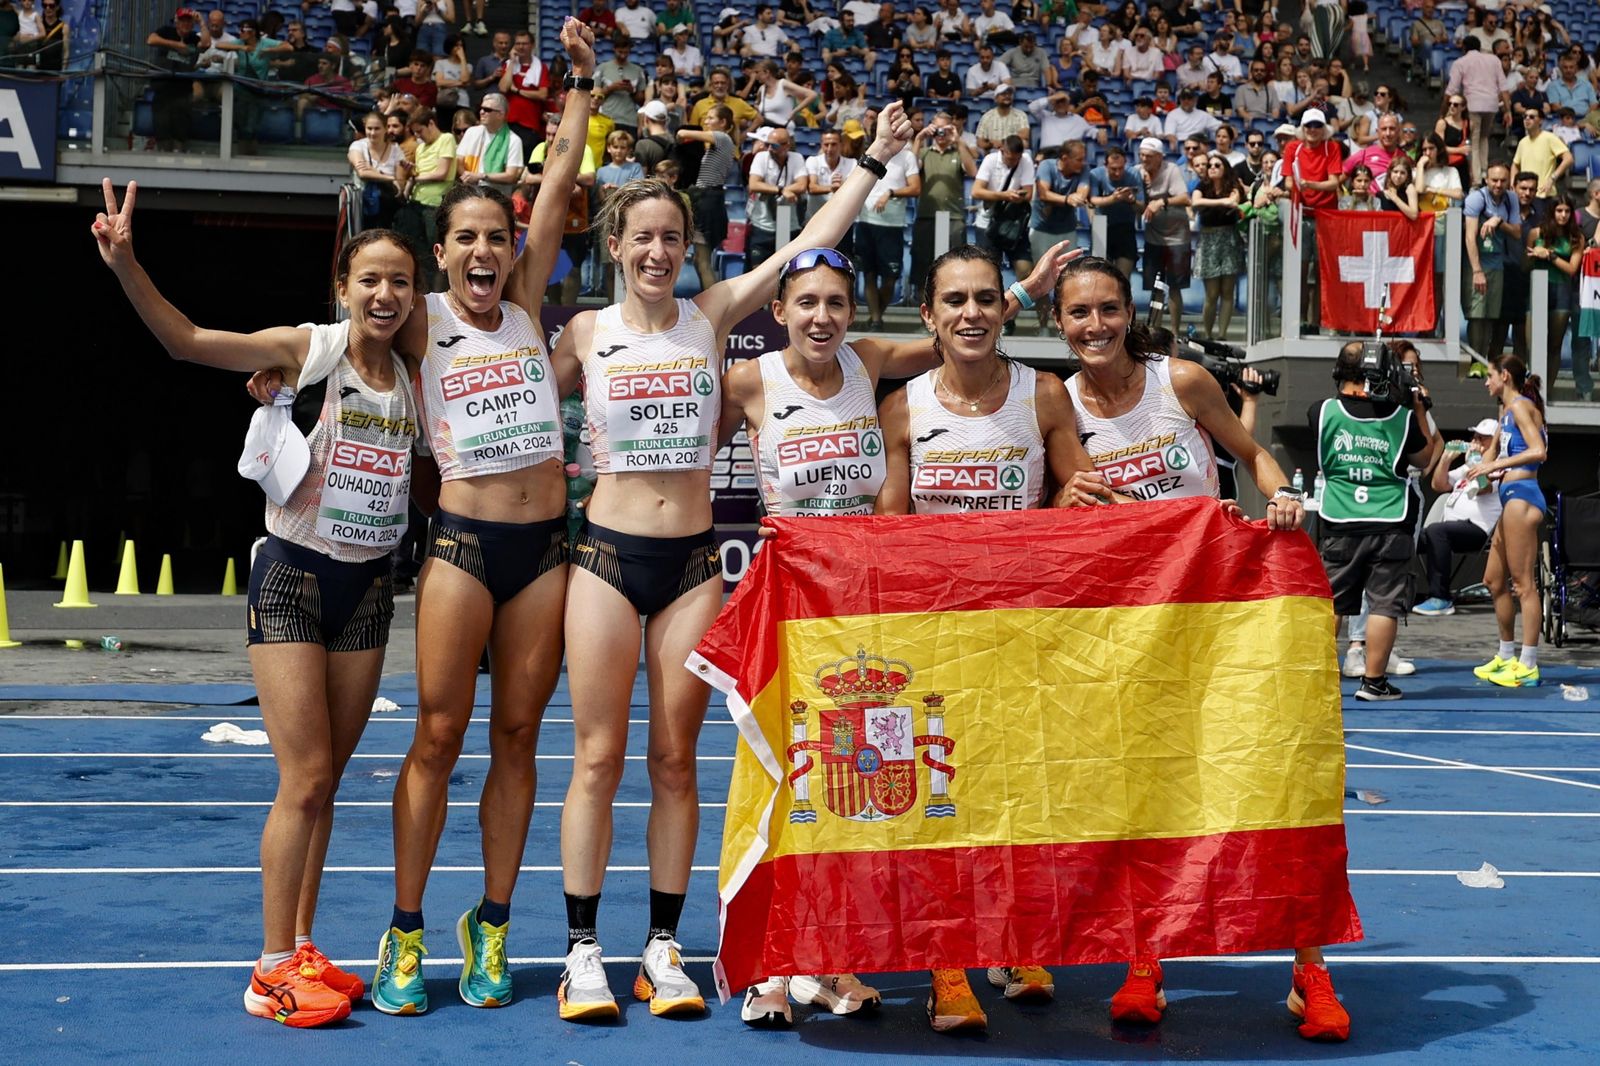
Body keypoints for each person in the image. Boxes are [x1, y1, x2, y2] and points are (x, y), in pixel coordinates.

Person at [547, 101, 917, 1025]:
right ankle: (584, 949)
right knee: (598, 758)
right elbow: (494, 379)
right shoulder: (585, 334)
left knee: (678, 763)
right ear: (617, 243)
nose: (658, 251)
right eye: (642, 237)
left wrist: (870, 159)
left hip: (691, 564)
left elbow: (814, 240)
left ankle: (664, 947)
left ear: (687, 249)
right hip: (601, 555)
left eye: (672, 237)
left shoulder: (712, 316)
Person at [95, 181, 421, 1027]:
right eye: (371, 281)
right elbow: (187, 341)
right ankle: (270, 966)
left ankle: (303, 944)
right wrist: (126, 261)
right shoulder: (312, 349)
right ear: (343, 289)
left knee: (331, 781)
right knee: (303, 777)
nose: (386, 295)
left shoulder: (416, 372)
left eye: (400, 282)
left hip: (370, 586)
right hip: (293, 576)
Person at [725, 240, 1070, 1026]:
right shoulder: (752, 380)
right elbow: (677, 464)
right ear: (777, 312)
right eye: (805, 303)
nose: (821, 316)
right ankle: (774, 962)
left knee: (860, 791)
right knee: (788, 784)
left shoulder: (872, 365)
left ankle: (833, 958)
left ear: (856, 314)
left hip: (876, 614)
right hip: (795, 603)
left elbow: (967, 327)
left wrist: (1023, 285)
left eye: (836, 303)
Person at [361, 19, 599, 1018]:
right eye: (465, 237)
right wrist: (277, 377)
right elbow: (348, 325)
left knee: (517, 738)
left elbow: (553, 188)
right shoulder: (421, 320)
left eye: (497, 238)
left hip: (544, 550)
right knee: (437, 735)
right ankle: (408, 930)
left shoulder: (532, 295)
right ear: (441, 252)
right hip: (460, 544)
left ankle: (492, 925)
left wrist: (580, 88)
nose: (485, 251)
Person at [875, 244, 1096, 1034]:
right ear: (929, 316)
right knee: (945, 805)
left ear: (1006, 308)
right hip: (939, 637)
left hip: (1024, 629)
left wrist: (1076, 504)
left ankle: (1015, 940)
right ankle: (948, 964)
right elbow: (889, 529)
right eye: (954, 300)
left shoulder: (1042, 394)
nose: (971, 312)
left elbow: (1078, 488)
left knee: (1020, 796)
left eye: (984, 298)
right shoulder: (902, 406)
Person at [1311, 341, 1433, 703]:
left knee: (1332, 603)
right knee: (1383, 604)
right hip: (1389, 519)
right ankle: (1374, 682)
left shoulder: (1322, 411)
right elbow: (1425, 458)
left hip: (1340, 518)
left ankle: (1318, 679)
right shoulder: (1400, 416)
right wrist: (1416, 407)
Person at [1468, 356, 1549, 688]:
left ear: (1504, 376)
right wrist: (1481, 464)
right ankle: (1505, 656)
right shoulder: (1506, 413)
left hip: (1523, 497)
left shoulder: (1520, 406)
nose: (1486, 382)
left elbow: (1539, 451)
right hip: (1509, 496)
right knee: (1492, 580)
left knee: (1523, 586)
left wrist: (1493, 466)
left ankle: (1528, 663)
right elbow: (1491, 461)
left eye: (1489, 376)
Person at [1413, 418, 1503, 617]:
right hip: (1447, 529)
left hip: (1477, 529)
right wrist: (1446, 458)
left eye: (1483, 438)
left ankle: (1441, 598)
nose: (1476, 442)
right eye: (1475, 437)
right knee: (1408, 537)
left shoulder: (1498, 468)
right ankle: (1398, 593)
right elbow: (1439, 485)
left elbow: (1483, 488)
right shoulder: (1465, 469)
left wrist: (1477, 465)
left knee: (1437, 531)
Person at [911, 109, 975, 294]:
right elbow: (911, 169)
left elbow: (972, 172)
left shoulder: (959, 151)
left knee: (954, 263)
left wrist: (958, 141)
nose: (941, 134)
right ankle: (925, 311)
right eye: (937, 129)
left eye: (944, 129)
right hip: (927, 215)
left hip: (953, 216)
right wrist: (919, 138)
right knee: (924, 264)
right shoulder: (923, 152)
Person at [1464, 163, 1524, 358]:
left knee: (1491, 315)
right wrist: (1477, 271)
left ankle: (1483, 361)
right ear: (1486, 180)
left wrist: (1498, 220)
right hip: (1477, 263)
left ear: (1509, 181)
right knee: (1477, 314)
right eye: (1494, 180)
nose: (1498, 184)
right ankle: (1475, 361)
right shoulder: (1476, 198)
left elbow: (1516, 232)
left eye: (1503, 180)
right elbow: (1469, 237)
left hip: (1498, 263)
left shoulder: (1511, 198)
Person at [1135, 136, 1191, 333]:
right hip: (1153, 237)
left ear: (1160, 157)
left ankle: (1175, 332)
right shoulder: (1137, 172)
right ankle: (1153, 330)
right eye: (1141, 155)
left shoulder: (1171, 170)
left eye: (1149, 156)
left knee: (1174, 287)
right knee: (1154, 286)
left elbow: (1185, 197)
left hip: (1177, 237)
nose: (1144, 159)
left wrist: (1161, 202)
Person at [1191, 154, 1244, 340]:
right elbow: (1195, 202)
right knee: (1212, 294)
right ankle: (1207, 334)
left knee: (1228, 291)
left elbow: (1234, 201)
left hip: (1229, 238)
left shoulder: (1233, 185)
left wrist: (1223, 202)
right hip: (1208, 240)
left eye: (1217, 165)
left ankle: (1222, 334)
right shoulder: (1202, 186)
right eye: (1210, 165)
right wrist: (1221, 202)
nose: (1212, 167)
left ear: (1225, 168)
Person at [351, 110, 406, 228]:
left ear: (385, 129)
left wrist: (373, 172)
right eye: (369, 128)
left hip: (387, 209)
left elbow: (400, 185)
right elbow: (362, 173)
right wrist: (389, 177)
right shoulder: (358, 146)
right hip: (362, 206)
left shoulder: (396, 150)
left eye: (377, 128)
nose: (372, 132)